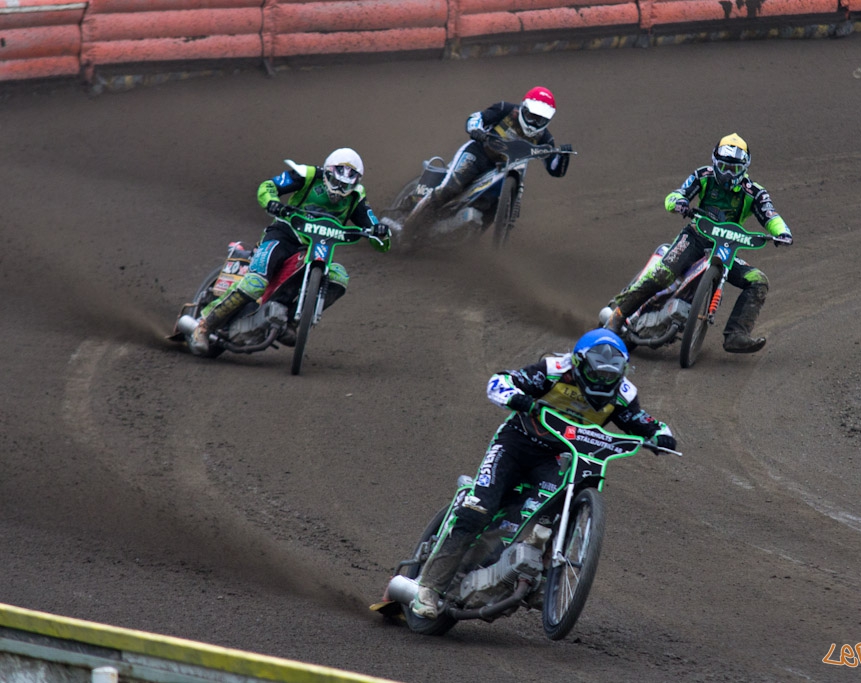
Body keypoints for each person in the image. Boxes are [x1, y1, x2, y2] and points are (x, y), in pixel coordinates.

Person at [410, 329, 676, 619]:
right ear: (579, 363)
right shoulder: (553, 371)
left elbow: (646, 422)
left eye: (610, 376)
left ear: (622, 371)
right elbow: (499, 382)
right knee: (478, 509)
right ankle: (428, 588)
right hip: (515, 444)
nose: (602, 380)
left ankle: (534, 575)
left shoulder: (624, 394)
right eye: (596, 373)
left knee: (530, 521)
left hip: (555, 458)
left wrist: (662, 436)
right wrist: (519, 400)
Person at [602, 134, 793, 354]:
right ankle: (618, 316)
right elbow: (676, 195)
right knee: (663, 274)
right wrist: (679, 203)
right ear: (715, 162)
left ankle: (736, 335)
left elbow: (771, 215)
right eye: (723, 166)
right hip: (695, 237)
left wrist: (782, 233)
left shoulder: (755, 192)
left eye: (733, 168)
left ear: (744, 168)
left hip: (726, 248)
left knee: (758, 281)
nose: (728, 172)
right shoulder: (703, 176)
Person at [190, 148, 391, 354]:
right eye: (337, 181)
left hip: (316, 248)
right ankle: (203, 326)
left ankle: (293, 321)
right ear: (328, 172)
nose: (339, 190)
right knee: (255, 283)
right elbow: (268, 186)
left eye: (347, 185)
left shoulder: (357, 196)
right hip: (283, 235)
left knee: (339, 276)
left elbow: (377, 233)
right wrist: (274, 204)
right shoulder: (307, 175)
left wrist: (381, 232)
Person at [413, 86, 574, 219]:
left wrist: (563, 157)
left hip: (506, 169)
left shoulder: (545, 138)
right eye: (531, 116)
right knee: (451, 188)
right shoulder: (506, 109)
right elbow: (477, 118)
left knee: (493, 208)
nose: (534, 123)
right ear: (523, 108)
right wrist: (476, 130)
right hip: (479, 154)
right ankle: (410, 225)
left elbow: (554, 168)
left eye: (540, 120)